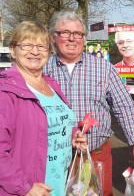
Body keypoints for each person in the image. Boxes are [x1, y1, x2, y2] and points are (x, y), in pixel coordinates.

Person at [44, 11, 134, 196]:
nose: (72, 38)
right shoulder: (43, 69)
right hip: (55, 158)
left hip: (96, 154)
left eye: (78, 34)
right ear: (53, 36)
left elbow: (123, 105)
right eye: (65, 32)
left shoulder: (103, 68)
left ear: (84, 38)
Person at [0, 21, 87, 196]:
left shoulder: (51, 83)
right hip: (27, 190)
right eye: (26, 45)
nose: (35, 51)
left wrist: (73, 135)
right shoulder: (5, 90)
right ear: (13, 50)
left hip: (62, 184)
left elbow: (51, 124)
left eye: (41, 46)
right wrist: (26, 187)